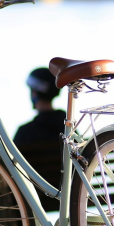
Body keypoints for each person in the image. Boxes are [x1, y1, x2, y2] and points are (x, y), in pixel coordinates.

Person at [14, 68, 65, 211]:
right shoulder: (69, 131)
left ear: (34, 93)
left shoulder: (24, 133)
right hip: (67, 197)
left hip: (31, 200)